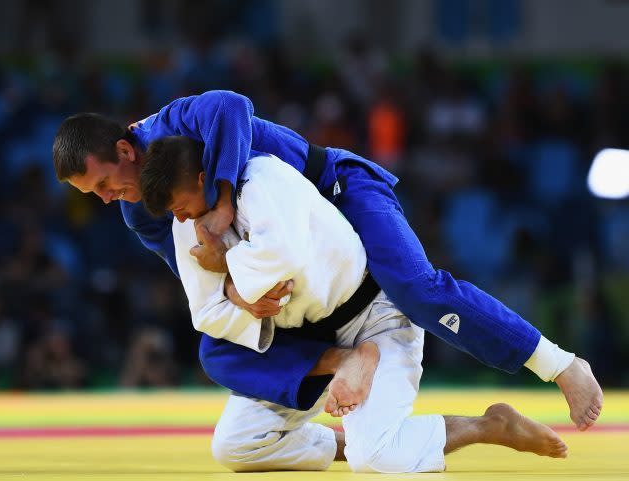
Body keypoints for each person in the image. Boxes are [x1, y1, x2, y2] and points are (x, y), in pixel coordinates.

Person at [52, 91, 602, 429]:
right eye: (92, 195)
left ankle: (558, 364)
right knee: (216, 348)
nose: (105, 198)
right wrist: (240, 295)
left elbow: (233, 105)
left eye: (103, 182)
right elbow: (201, 278)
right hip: (289, 266)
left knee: (415, 288)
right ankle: (342, 377)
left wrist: (219, 203)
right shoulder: (139, 213)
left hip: (337, 190)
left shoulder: (178, 121)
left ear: (126, 150)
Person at [138, 136, 568, 473]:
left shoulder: (264, 178)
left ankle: (489, 425)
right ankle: (348, 385)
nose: (181, 221)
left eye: (180, 207)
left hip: (373, 317)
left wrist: (226, 267)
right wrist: (237, 294)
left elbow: (280, 263)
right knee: (235, 444)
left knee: (378, 458)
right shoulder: (188, 227)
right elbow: (205, 313)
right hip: (312, 340)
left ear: (201, 178)